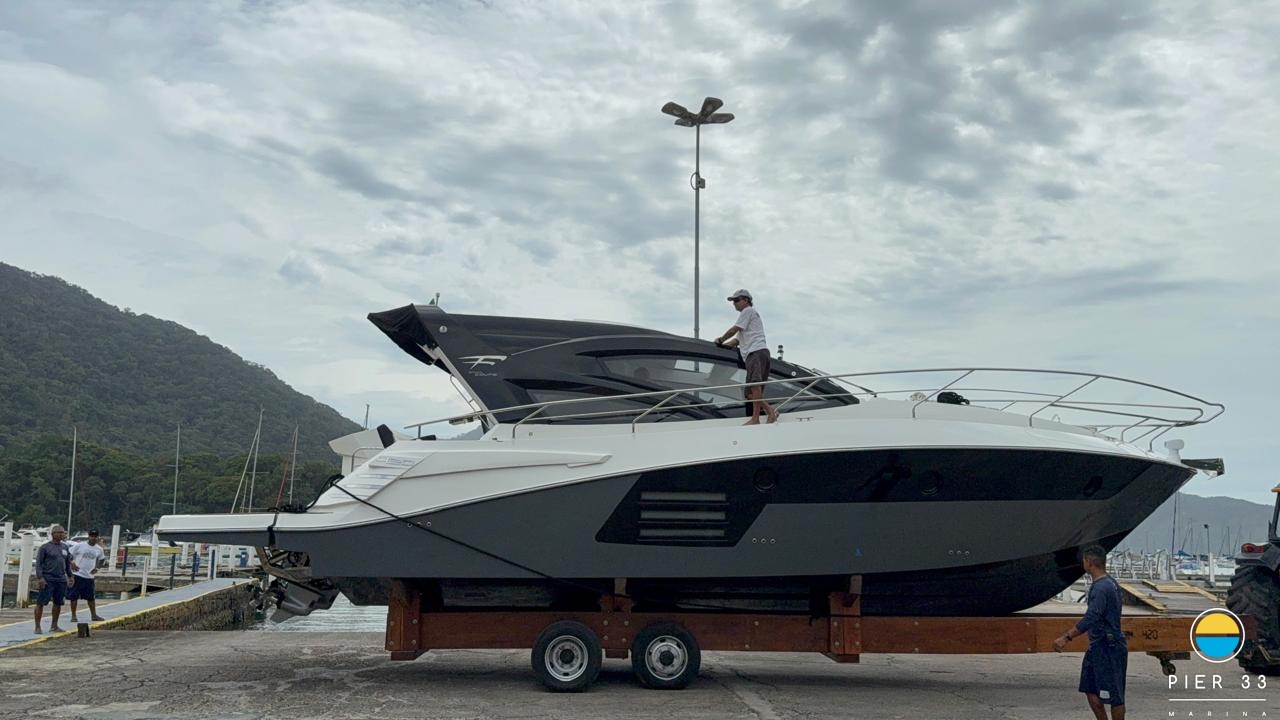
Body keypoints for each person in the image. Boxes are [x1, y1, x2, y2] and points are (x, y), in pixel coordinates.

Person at [1054, 545, 1127, 720]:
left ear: (1089, 562)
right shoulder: (1109, 583)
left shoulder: (1102, 587)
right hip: (1098, 646)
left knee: (1115, 697)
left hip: (1108, 647)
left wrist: (1067, 637)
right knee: (1090, 689)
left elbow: (1092, 616)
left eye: (1084, 561)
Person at [714, 289, 779, 425]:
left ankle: (756, 419)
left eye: (737, 300)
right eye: (733, 301)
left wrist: (720, 339)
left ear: (746, 300)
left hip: (755, 352)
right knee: (749, 394)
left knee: (755, 387)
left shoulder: (747, 311)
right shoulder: (747, 320)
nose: (734, 303)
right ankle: (770, 410)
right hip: (757, 353)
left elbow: (733, 330)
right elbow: (735, 341)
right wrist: (721, 346)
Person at [33, 525, 75, 634]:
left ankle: (54, 626)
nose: (61, 534)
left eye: (63, 532)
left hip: (61, 579)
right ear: (53, 534)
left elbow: (67, 563)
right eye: (59, 532)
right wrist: (40, 577)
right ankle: (37, 626)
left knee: (58, 603)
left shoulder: (65, 547)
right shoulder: (45, 547)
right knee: (41, 603)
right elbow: (39, 564)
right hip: (48, 579)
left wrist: (70, 576)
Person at [68, 529, 107, 623]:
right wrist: (72, 562)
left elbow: (102, 559)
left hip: (89, 576)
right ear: (88, 536)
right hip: (77, 574)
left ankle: (94, 615)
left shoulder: (99, 549)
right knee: (74, 596)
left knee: (91, 597)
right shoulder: (80, 545)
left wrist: (97, 568)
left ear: (98, 537)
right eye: (91, 536)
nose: (93, 538)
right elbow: (69, 554)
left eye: (95, 536)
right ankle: (73, 616)